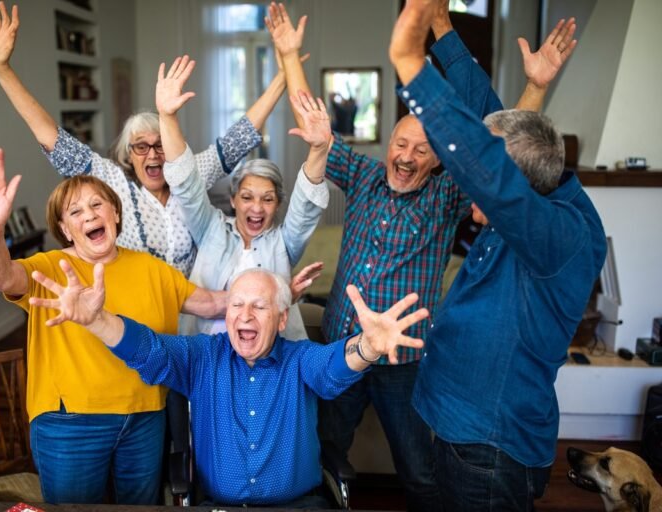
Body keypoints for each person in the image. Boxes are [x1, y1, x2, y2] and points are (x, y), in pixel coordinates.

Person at [265, 2, 578, 509]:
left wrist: (536, 87)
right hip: (342, 346)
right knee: (323, 450)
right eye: (402, 144)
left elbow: (502, 151)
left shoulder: (447, 196)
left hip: (403, 359)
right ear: (389, 141)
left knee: (418, 469)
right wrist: (289, 54)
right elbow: (315, 122)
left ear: (438, 160)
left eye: (423, 151)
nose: (408, 157)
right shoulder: (364, 175)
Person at [388, 1, 606, 510]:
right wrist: (442, 26)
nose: (470, 200)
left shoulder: (563, 235)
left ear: (519, 189)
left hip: (488, 450)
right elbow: (487, 121)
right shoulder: (539, 178)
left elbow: (488, 165)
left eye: (481, 188)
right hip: (449, 422)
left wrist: (411, 63)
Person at [26, 263, 430, 507]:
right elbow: (148, 350)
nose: (245, 315)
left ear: (281, 315)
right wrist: (97, 321)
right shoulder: (203, 357)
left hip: (298, 507)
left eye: (259, 305)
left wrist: (368, 346)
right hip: (217, 506)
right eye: (236, 304)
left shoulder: (299, 359)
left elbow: (333, 367)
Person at [0, 144, 227, 505]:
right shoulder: (51, 266)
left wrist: (276, 292)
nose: (89, 214)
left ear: (115, 213)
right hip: (70, 424)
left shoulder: (152, 269)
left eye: (97, 204)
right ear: (66, 229)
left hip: (145, 418)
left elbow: (212, 304)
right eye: (75, 211)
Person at [0, 2, 286, 277]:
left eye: (160, 145)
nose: (152, 154)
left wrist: (286, 71)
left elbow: (240, 136)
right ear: (129, 154)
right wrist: (1, 68)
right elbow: (52, 138)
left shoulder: (190, 173)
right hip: (138, 316)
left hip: (191, 314)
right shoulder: (110, 182)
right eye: (141, 146)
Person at [156, 55, 330, 340]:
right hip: (209, 354)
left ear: (277, 205)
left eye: (268, 199)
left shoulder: (283, 243)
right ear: (233, 199)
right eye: (247, 197)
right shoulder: (211, 228)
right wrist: (167, 117)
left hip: (269, 359)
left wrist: (319, 149)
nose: (257, 208)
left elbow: (306, 205)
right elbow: (186, 183)